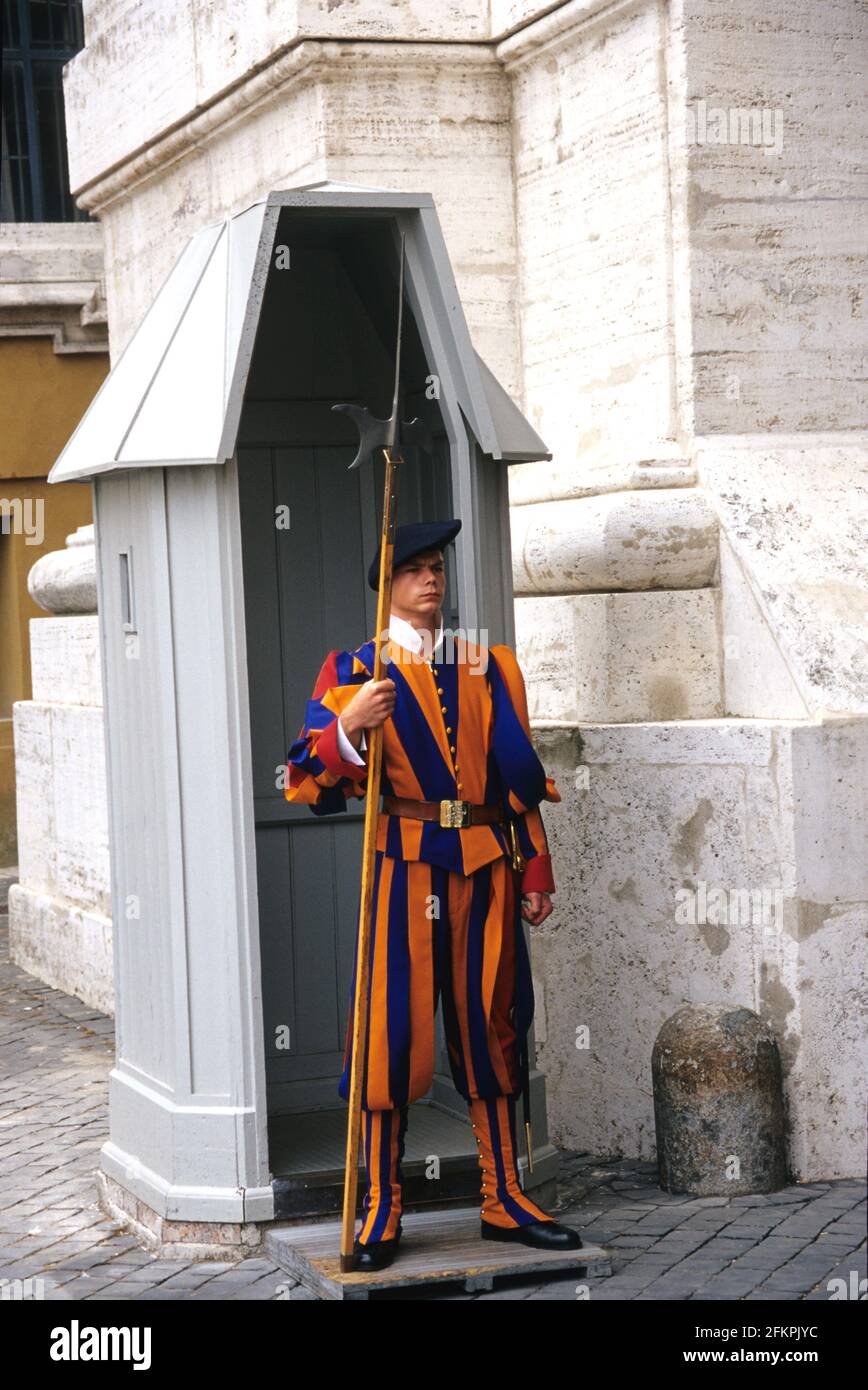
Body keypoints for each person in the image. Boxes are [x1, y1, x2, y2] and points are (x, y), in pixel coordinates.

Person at [285, 518, 582, 1269]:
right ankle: (383, 1208)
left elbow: (520, 780)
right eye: (414, 569)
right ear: (387, 584)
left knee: (492, 1025)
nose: (432, 580)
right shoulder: (354, 669)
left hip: (486, 862)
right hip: (403, 866)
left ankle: (503, 1198)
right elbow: (304, 783)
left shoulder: (492, 666)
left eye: (437, 567)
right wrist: (348, 727)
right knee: (393, 1034)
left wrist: (536, 868)